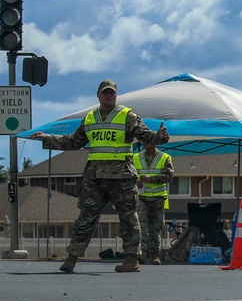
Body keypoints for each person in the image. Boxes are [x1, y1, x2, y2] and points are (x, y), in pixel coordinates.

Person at [31, 79, 169, 273]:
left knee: (129, 218)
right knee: (85, 218)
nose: (108, 95)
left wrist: (160, 137)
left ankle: (131, 260)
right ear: (98, 95)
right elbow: (74, 141)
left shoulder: (126, 115)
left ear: (116, 95)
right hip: (95, 177)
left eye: (111, 92)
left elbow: (145, 135)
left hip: (121, 176)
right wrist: (48, 139)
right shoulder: (90, 118)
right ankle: (71, 259)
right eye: (105, 92)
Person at [134, 142, 174, 265]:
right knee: (142, 225)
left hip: (157, 197)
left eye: (147, 140)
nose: (144, 143)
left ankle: (155, 255)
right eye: (143, 141)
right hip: (142, 196)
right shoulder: (136, 157)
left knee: (156, 227)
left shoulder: (164, 157)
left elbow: (169, 176)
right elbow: (129, 174)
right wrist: (136, 181)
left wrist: (151, 179)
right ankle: (142, 254)